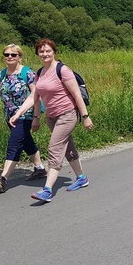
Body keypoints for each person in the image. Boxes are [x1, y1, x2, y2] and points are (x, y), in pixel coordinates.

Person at [10, 39, 93, 202]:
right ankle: (81, 178)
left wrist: (85, 117)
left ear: (54, 52)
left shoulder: (63, 70)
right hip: (51, 117)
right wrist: (23, 114)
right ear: (37, 54)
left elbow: (77, 95)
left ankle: (47, 190)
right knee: (68, 147)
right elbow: (35, 97)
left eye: (48, 51)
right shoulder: (39, 73)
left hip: (67, 114)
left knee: (54, 149)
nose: (44, 54)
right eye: (41, 51)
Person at [0, 44, 46, 193]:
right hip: (10, 116)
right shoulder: (2, 74)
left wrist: (36, 117)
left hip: (25, 115)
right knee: (26, 141)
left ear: (20, 57)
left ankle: (2, 180)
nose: (9, 57)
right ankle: (39, 168)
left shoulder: (27, 73)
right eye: (6, 54)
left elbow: (36, 96)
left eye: (13, 55)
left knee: (14, 143)